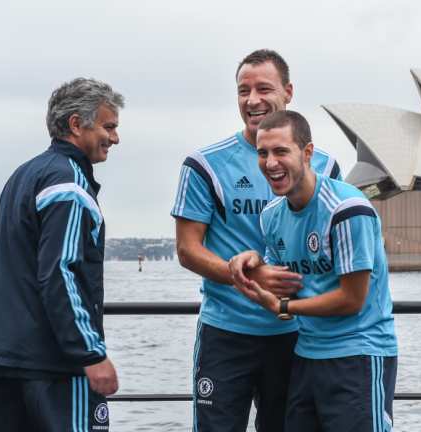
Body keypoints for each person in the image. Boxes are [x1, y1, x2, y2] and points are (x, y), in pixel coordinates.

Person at [171, 49, 343, 432]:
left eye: (263, 88)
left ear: (288, 91)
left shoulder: (326, 166)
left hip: (298, 335)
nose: (252, 100)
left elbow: (336, 251)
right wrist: (249, 277)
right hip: (226, 334)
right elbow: (187, 249)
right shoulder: (204, 164)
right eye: (243, 90)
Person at [229, 110, 398, 432]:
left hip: (358, 354)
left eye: (281, 151)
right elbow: (283, 279)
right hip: (306, 356)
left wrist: (281, 307)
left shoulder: (347, 208)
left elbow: (352, 300)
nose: (270, 162)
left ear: (307, 153)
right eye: (262, 153)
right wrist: (251, 263)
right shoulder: (272, 215)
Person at [0, 78, 123, 432]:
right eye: (109, 126)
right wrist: (91, 354)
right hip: (55, 368)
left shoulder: (22, 176)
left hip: (6, 359)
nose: (115, 138)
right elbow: (61, 271)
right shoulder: (70, 184)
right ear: (77, 124)